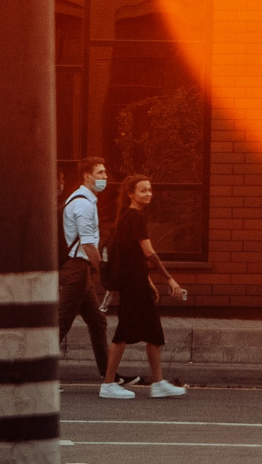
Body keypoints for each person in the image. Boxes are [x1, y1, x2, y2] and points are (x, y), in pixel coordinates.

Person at [108, 174, 190, 399]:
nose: (148, 194)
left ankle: (158, 383)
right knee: (123, 331)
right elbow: (148, 252)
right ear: (131, 194)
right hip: (133, 284)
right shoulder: (134, 216)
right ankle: (108, 384)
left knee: (154, 332)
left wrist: (149, 282)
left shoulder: (130, 216)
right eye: (143, 190)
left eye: (150, 190)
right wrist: (169, 279)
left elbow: (134, 256)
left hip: (139, 281)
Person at [58, 157, 122, 397]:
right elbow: (87, 244)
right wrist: (102, 270)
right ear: (87, 176)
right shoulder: (83, 204)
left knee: (97, 321)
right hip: (77, 269)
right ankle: (40, 375)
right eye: (101, 173)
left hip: (80, 268)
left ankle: (108, 375)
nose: (105, 177)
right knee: (61, 322)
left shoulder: (82, 200)